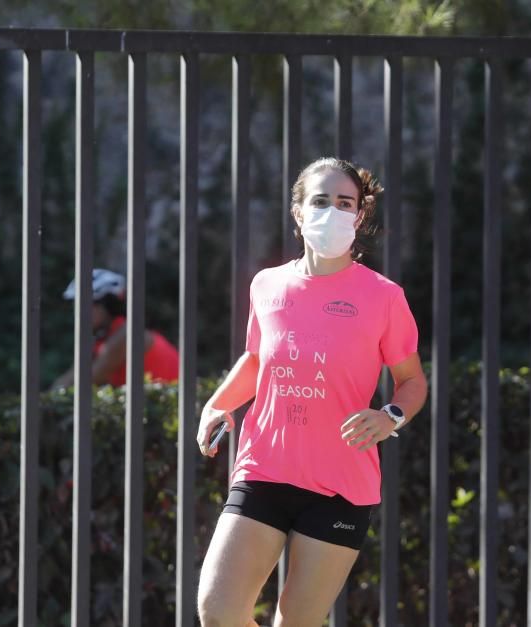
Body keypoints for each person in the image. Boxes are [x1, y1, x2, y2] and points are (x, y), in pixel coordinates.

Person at [196, 157, 427, 627]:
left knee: (297, 622)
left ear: (359, 216)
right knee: (218, 612)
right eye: (321, 201)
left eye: (346, 203)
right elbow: (257, 359)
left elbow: (412, 381)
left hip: (341, 487)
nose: (334, 212)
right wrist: (218, 403)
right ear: (298, 212)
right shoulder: (268, 284)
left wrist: (390, 417)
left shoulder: (384, 296)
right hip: (264, 469)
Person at [51, 268, 180, 389]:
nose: (79, 312)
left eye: (87, 305)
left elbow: (83, 382)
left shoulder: (126, 335)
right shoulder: (104, 337)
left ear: (109, 306)